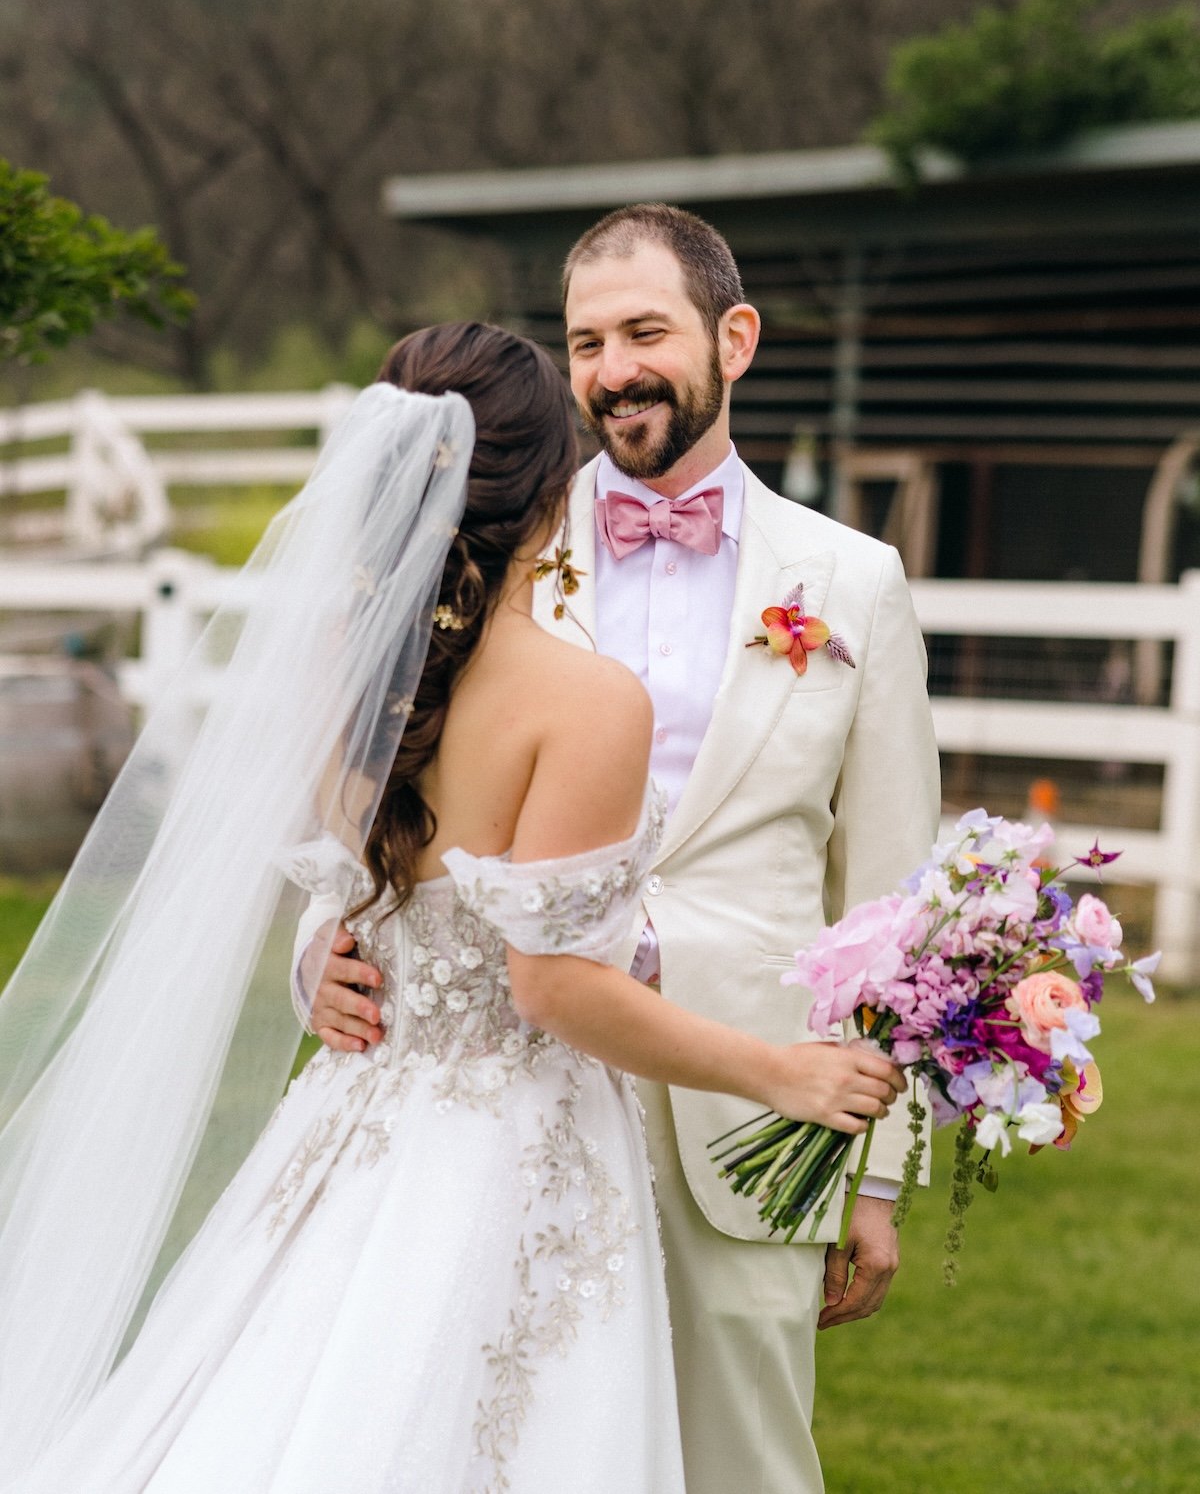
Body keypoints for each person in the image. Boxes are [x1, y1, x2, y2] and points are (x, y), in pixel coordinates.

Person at [0, 321, 904, 1494]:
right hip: (516, 1144)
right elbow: (552, 984)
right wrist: (780, 1073)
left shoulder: (342, 664)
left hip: (350, 1118)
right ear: (548, 490)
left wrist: (329, 950)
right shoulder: (584, 702)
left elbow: (354, 897)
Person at [309, 212, 942, 1494]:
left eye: (645, 331)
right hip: (506, 1098)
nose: (612, 369)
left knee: (743, 1463)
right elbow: (376, 801)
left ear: (735, 338)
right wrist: (315, 961)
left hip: (751, 1106)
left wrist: (875, 1169)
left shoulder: (854, 579)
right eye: (587, 341)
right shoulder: (486, 547)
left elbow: (893, 898)